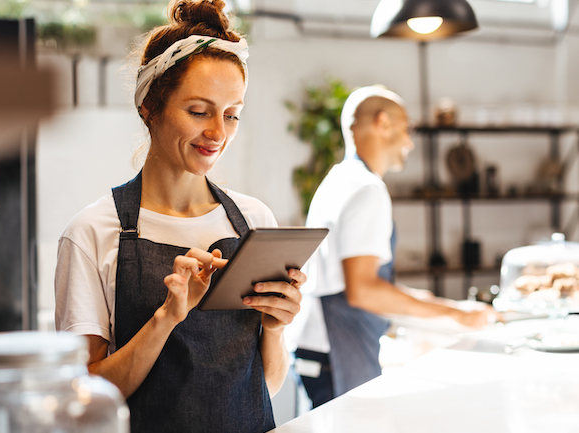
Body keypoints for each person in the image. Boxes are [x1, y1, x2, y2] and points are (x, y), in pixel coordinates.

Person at [54, 1, 304, 432]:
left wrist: (275, 328)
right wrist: (167, 317)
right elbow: (83, 400)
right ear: (149, 106)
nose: (218, 133)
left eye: (231, 115)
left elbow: (266, 387)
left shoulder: (254, 220)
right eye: (198, 111)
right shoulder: (93, 232)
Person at [291, 85, 498, 408]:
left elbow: (353, 280)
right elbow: (363, 290)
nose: (410, 142)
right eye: (408, 129)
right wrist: (456, 314)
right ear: (383, 122)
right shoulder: (368, 189)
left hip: (318, 348)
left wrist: (428, 301)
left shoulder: (339, 179)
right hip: (340, 350)